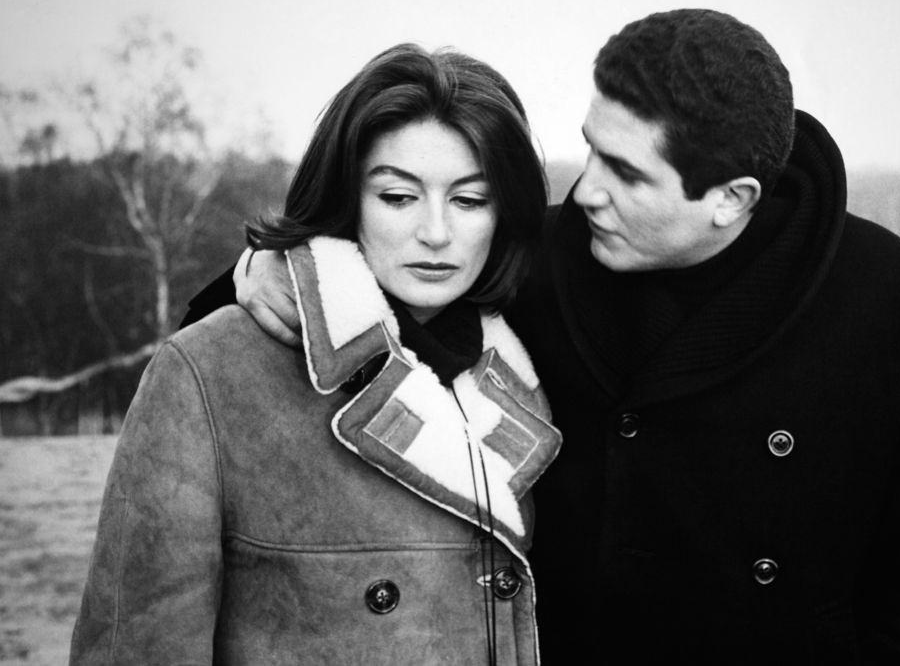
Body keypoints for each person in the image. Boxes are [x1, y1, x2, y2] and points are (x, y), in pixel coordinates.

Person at [182, 10, 900, 664]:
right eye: (591, 150)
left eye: (628, 173)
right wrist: (265, 270)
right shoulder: (535, 259)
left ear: (731, 196)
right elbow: (356, 292)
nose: (586, 191)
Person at [71, 43, 561, 665]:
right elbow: (136, 646)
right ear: (345, 197)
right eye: (397, 197)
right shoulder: (211, 370)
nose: (436, 233)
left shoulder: (538, 360)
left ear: (506, 212)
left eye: (469, 200)